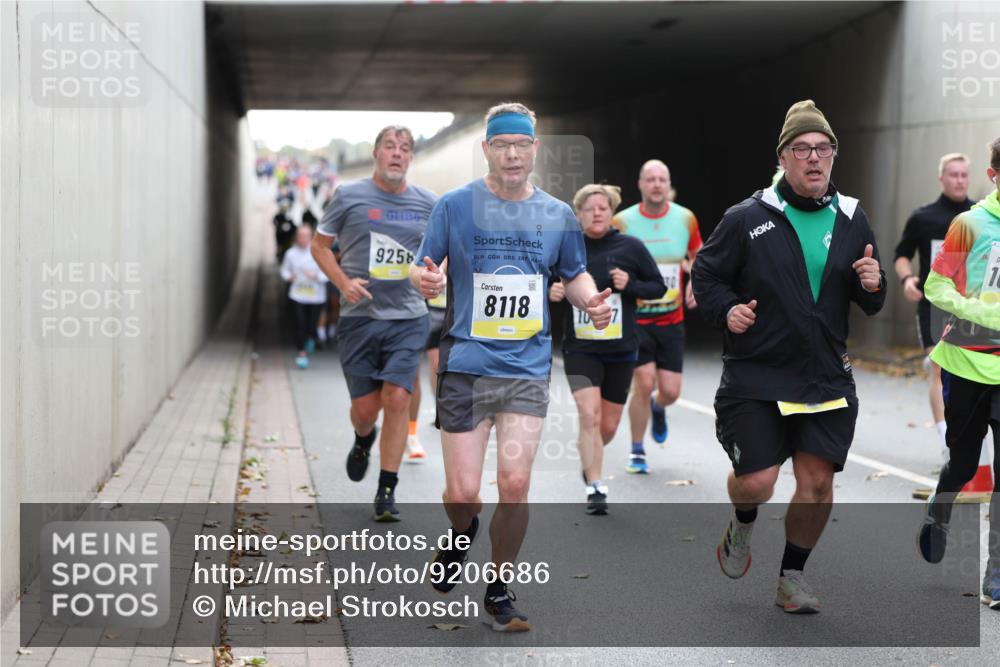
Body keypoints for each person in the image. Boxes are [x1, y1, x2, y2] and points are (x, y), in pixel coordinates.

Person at [409, 102, 612, 632]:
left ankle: (499, 587)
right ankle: (463, 530)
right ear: (488, 150)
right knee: (462, 494)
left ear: (535, 149)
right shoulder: (455, 206)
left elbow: (577, 274)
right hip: (466, 365)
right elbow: (422, 267)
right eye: (503, 144)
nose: (513, 154)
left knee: (516, 482)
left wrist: (592, 301)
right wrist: (425, 282)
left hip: (525, 366)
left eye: (522, 144)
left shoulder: (558, 215)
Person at [693, 99, 886, 613]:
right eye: (803, 149)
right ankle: (741, 523)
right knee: (756, 482)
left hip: (825, 376)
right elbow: (706, 276)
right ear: (783, 157)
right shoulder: (747, 217)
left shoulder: (851, 217)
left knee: (817, 482)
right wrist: (727, 309)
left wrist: (874, 282)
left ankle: (791, 578)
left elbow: (871, 293)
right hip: (758, 374)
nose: (815, 158)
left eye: (824, 149)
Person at [312, 125, 437, 522]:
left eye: (404, 148)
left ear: (411, 157)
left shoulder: (428, 203)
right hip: (359, 318)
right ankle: (364, 438)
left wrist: (438, 277)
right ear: (376, 153)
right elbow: (320, 246)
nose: (397, 153)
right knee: (366, 410)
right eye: (390, 146)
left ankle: (387, 487)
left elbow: (442, 252)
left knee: (398, 397)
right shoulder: (349, 196)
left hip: (408, 316)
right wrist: (343, 282)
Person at [915, 137, 1000, 611]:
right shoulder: (969, 225)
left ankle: (996, 574)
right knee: (965, 465)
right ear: (994, 175)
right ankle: (941, 507)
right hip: (968, 361)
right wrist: (977, 312)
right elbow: (936, 284)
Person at [550, 183, 665, 514]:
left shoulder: (630, 247)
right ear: (579, 215)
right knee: (589, 414)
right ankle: (596, 487)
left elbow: (657, 286)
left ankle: (590, 456)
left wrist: (632, 286)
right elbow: (538, 281)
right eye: (590, 208)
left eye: (603, 208)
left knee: (608, 427)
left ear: (611, 212)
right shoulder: (567, 248)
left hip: (621, 349)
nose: (597, 213)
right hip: (580, 348)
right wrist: (551, 291)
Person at [612, 160, 702, 473]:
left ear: (668, 183)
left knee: (670, 391)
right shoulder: (622, 221)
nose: (656, 184)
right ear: (640, 184)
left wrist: (696, 281)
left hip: (671, 320)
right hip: (636, 319)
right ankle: (637, 450)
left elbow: (697, 256)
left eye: (662, 179)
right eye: (650, 179)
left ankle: (658, 407)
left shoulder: (685, 218)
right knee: (644, 381)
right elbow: (609, 257)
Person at [894, 154, 975, 460]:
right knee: (939, 369)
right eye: (953, 175)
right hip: (934, 305)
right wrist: (907, 280)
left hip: (971, 307)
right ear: (942, 178)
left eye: (964, 175)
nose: (959, 180)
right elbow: (902, 254)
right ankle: (947, 441)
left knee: (967, 375)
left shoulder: (979, 215)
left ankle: (964, 435)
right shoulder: (923, 217)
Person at [405, 259, 450, 462]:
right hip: (427, 317)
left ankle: (440, 406)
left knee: (440, 365)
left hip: (450, 318)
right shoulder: (426, 257)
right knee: (434, 365)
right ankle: (437, 405)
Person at [280, 225, 329, 368]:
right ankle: (301, 353)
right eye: (300, 236)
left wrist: (316, 276)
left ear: (311, 236)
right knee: (299, 324)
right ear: (297, 237)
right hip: (297, 295)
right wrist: (290, 277)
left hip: (316, 296)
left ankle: (310, 338)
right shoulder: (291, 254)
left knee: (311, 325)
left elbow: (328, 273)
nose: (303, 239)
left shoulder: (319, 253)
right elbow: (284, 271)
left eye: (306, 236)